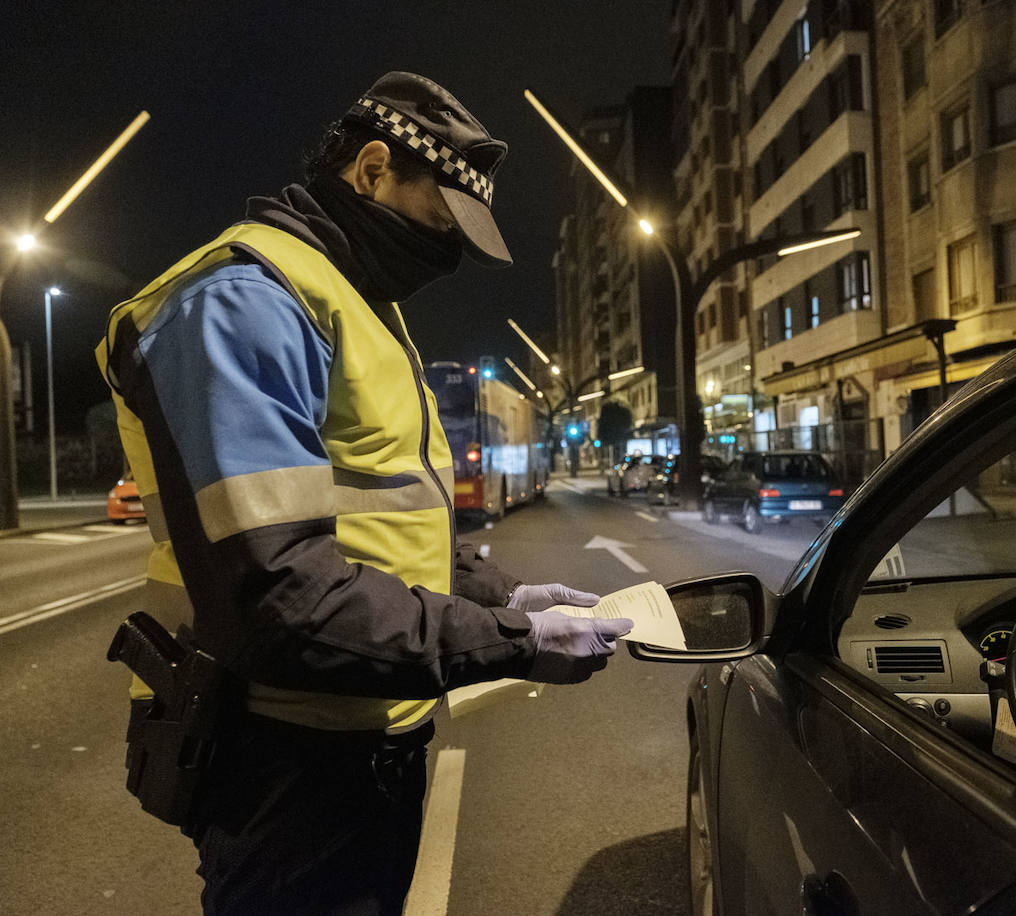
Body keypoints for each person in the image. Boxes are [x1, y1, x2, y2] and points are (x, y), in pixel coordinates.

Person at [96, 71, 632, 914]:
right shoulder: (243, 304)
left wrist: (508, 593)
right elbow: (282, 599)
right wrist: (514, 639)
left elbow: (387, 527)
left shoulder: (357, 304)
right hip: (282, 765)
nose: (447, 255)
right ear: (374, 167)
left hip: (361, 744)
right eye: (439, 221)